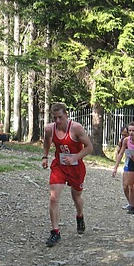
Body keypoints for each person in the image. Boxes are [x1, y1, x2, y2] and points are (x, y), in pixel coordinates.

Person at [42, 103, 93, 247]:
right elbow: (46, 142)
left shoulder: (76, 128)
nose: (57, 121)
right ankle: (55, 232)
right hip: (59, 167)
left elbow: (89, 147)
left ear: (66, 115)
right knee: (54, 198)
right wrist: (45, 156)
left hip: (76, 168)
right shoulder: (49, 129)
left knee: (76, 196)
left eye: (60, 117)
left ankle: (80, 216)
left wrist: (74, 157)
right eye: (55, 118)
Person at [116, 126, 132, 211]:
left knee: (132, 186)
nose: (124, 137)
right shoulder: (122, 140)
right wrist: (116, 166)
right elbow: (119, 152)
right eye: (122, 135)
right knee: (125, 186)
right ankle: (130, 203)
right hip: (128, 162)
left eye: (125, 135)